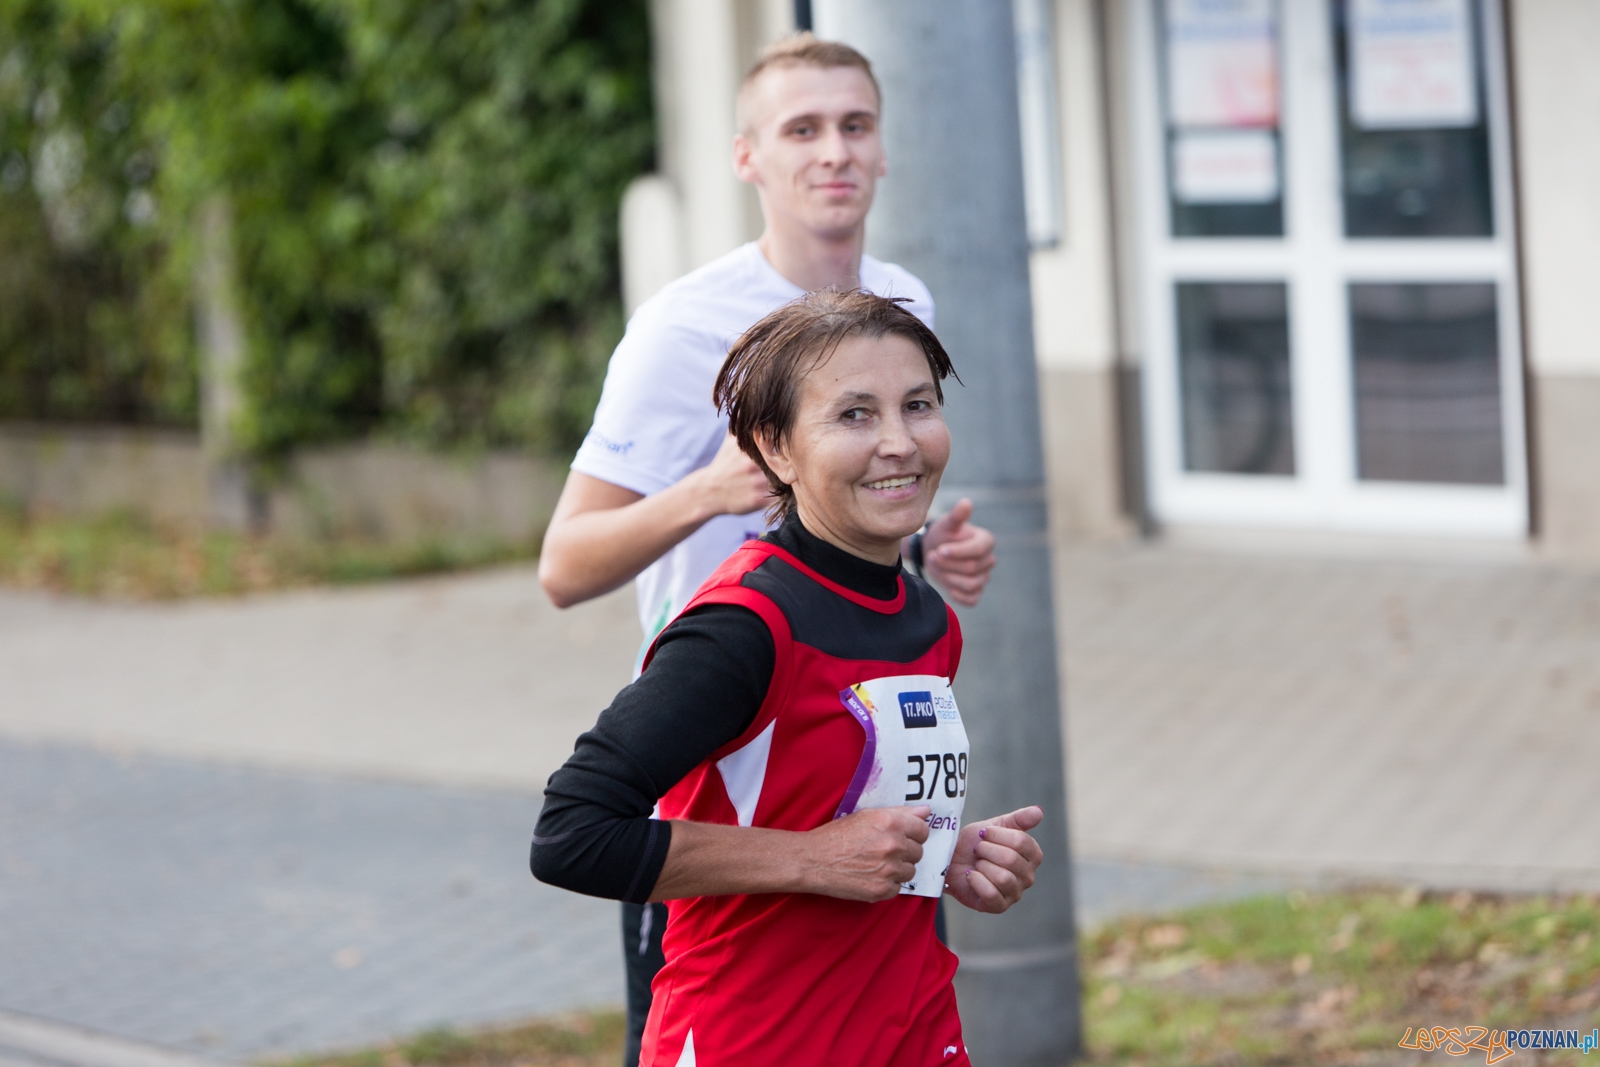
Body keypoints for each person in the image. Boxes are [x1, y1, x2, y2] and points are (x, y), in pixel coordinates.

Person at [535, 33, 999, 1064]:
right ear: (747, 155)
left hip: (846, 729)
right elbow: (563, 566)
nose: (834, 151)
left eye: (855, 124)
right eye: (802, 129)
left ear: (884, 147)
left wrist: (928, 550)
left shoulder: (902, 304)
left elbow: (865, 513)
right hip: (722, 730)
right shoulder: (681, 329)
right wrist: (709, 490)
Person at [531, 290, 1045, 1067]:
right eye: (855, 415)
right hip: (753, 1040)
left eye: (918, 405)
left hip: (913, 1033)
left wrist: (946, 854)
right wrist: (810, 859)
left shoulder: (930, 620)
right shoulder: (745, 625)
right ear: (775, 450)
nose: (900, 442)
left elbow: (850, 822)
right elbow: (571, 833)